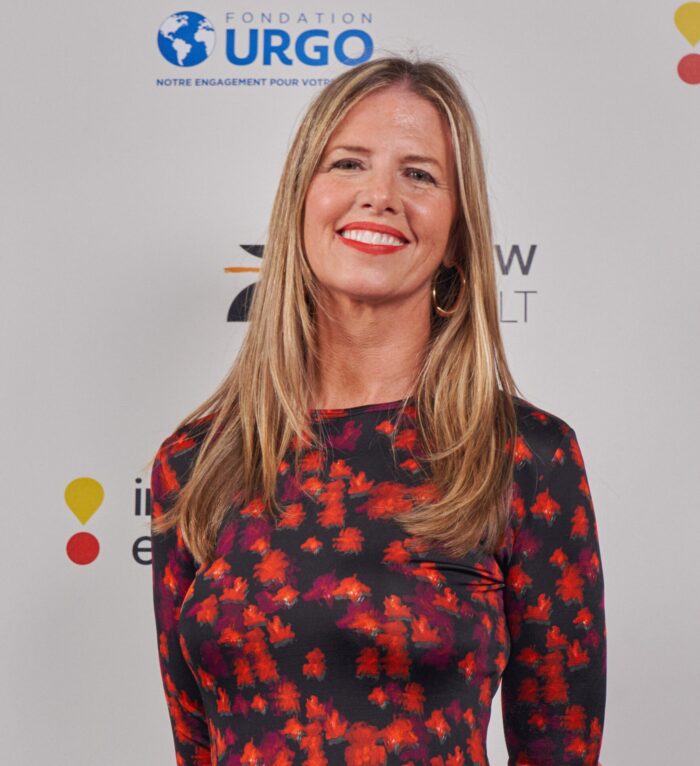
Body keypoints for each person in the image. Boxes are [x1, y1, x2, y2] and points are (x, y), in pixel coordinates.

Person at [150, 56, 606, 766]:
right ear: (300, 201)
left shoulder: (524, 457)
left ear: (457, 232)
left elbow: (560, 751)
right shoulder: (198, 462)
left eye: (419, 174)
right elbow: (195, 749)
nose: (380, 197)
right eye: (348, 164)